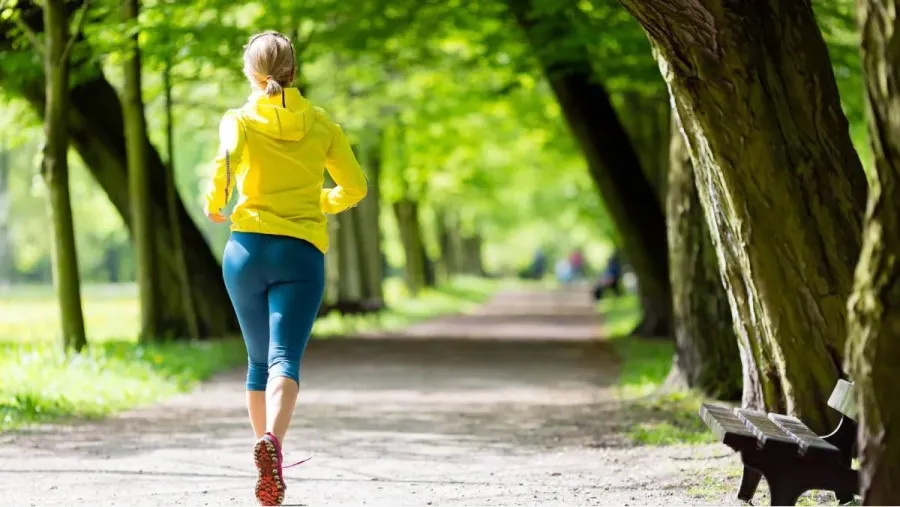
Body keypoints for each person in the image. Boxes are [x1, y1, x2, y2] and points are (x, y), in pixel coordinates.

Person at [203, 30, 367, 506]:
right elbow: (354, 187)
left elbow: (222, 169)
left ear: (252, 73)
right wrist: (319, 201)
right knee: (284, 360)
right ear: (294, 71)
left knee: (257, 362)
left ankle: (266, 452)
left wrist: (217, 206)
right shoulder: (321, 123)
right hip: (300, 252)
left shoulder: (239, 119)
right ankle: (272, 445)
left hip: (247, 251)